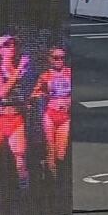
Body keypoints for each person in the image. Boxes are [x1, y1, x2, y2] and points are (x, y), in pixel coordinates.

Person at [0, 35, 31, 188]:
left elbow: (23, 92)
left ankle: (26, 195)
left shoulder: (21, 70)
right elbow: (2, 91)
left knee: (20, 160)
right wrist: (19, 70)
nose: (11, 47)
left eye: (13, 44)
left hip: (16, 117)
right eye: (7, 45)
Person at [31, 46, 72, 178]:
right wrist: (43, 95)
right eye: (56, 58)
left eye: (62, 57)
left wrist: (69, 100)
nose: (59, 60)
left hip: (65, 117)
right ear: (50, 59)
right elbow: (34, 93)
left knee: (61, 153)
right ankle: (51, 179)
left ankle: (53, 172)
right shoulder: (46, 75)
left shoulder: (69, 73)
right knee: (51, 149)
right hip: (50, 114)